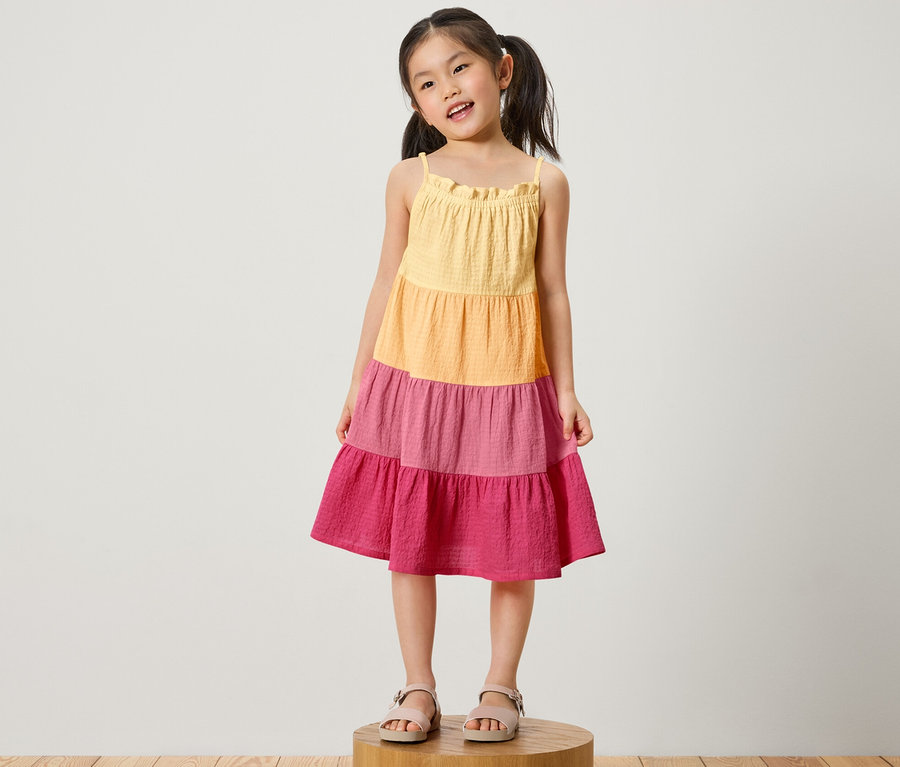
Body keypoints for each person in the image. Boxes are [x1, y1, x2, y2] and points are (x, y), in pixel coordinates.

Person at [310, 6, 606, 744]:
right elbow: (386, 281)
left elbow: (553, 292)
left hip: (508, 382)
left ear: (502, 70)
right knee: (412, 534)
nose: (446, 88)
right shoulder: (410, 179)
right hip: (417, 380)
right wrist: (357, 382)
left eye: (459, 68)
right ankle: (418, 682)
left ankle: (501, 682)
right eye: (425, 82)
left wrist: (567, 389)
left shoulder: (545, 183)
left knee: (515, 538)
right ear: (415, 104)